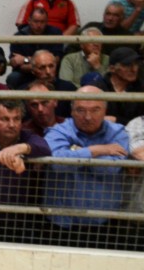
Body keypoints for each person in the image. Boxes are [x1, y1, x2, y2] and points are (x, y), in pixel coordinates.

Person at [44, 86, 129, 241]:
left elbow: (111, 169)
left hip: (104, 223)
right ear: (71, 111)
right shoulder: (58, 131)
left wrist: (76, 152)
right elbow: (57, 163)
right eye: (81, 110)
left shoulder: (118, 132)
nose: (88, 117)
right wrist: (96, 150)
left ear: (105, 111)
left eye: (95, 110)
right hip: (62, 223)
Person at [5, 50, 76, 118]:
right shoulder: (23, 92)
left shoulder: (69, 89)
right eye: (42, 68)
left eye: (51, 66)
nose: (48, 72)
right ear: (33, 70)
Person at [87, 47, 144, 125]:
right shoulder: (95, 89)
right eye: (127, 65)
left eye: (136, 64)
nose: (134, 69)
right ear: (112, 68)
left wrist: (117, 120)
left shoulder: (141, 88)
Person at [9, 7, 64, 78]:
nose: (39, 25)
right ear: (29, 21)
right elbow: (16, 63)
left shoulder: (55, 33)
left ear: (47, 22)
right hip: (26, 74)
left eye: (42, 22)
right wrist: (37, 67)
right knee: (13, 77)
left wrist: (26, 59)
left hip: (49, 72)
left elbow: (56, 59)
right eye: (36, 21)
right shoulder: (19, 36)